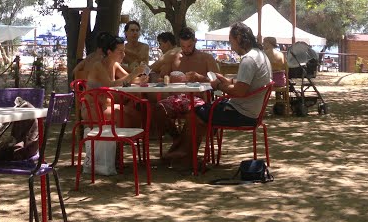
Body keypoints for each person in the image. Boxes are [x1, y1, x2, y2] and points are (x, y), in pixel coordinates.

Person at [165, 22, 271, 164]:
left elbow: (239, 91)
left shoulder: (248, 60)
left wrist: (219, 85)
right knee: (200, 111)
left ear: (239, 38)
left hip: (241, 113)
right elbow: (245, 84)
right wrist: (227, 80)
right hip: (252, 112)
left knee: (195, 113)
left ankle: (184, 156)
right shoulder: (260, 55)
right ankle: (181, 153)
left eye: (231, 42)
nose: (231, 47)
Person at [150, 28, 219, 152]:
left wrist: (200, 77)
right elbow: (161, 78)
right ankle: (177, 137)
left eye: (189, 46)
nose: (186, 49)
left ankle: (182, 149)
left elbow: (217, 81)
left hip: (198, 100)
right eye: (183, 46)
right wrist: (169, 79)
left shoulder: (206, 58)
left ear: (195, 41)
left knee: (193, 114)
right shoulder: (174, 57)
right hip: (176, 99)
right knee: (157, 109)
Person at [85, 33, 148, 126]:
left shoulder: (115, 64)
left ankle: (132, 139)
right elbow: (110, 85)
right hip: (93, 108)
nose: (123, 55)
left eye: (124, 51)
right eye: (120, 52)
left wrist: (140, 79)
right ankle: (124, 140)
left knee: (137, 115)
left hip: (108, 105)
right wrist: (134, 74)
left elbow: (130, 79)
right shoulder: (98, 66)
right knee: (122, 115)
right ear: (109, 52)